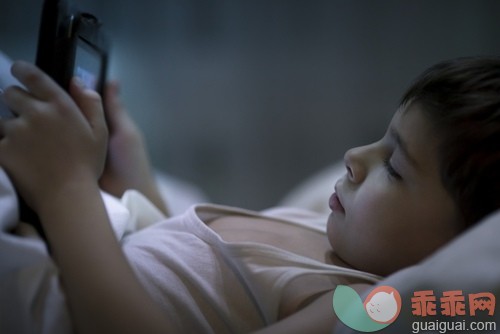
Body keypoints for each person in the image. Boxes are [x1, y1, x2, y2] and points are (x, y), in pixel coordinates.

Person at [0, 56, 498, 334]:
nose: (354, 155)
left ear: (456, 244)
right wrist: (134, 173)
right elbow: (189, 273)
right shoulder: (325, 231)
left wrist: (68, 190)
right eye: (380, 138)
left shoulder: (350, 306)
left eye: (393, 165)